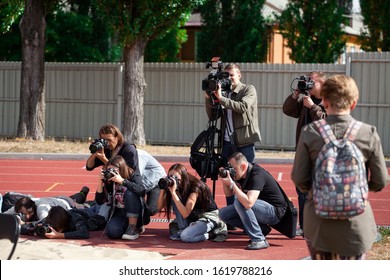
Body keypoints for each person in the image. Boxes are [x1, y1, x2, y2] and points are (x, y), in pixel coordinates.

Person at [291, 74, 389, 260]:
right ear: (354, 103)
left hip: (319, 223)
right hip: (356, 223)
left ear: (324, 101)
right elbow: (380, 181)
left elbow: (300, 179)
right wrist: (354, 189)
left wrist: (321, 190)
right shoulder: (368, 133)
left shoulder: (310, 133)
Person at [282, 71, 327, 236]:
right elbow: (287, 110)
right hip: (303, 151)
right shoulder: (305, 100)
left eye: (312, 82)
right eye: (307, 81)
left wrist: (313, 107)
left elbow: (326, 124)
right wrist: (295, 96)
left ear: (322, 84)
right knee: (301, 190)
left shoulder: (329, 100)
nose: (308, 84)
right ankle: (305, 226)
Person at [218, 152, 287, 250]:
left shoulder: (257, 175)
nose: (232, 172)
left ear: (243, 166)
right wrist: (225, 181)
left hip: (274, 212)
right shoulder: (241, 174)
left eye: (234, 169)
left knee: (240, 202)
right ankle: (261, 229)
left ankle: (259, 239)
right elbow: (229, 194)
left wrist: (232, 184)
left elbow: (249, 203)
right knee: (224, 214)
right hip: (260, 208)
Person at [204, 63, 261, 164]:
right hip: (226, 142)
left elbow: (242, 107)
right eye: (226, 76)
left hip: (244, 142)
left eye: (231, 75)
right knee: (226, 174)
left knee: (245, 175)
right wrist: (208, 98)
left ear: (239, 75)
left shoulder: (248, 89)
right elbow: (213, 116)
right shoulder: (223, 92)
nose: (229, 78)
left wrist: (221, 98)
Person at [157, 163, 227, 243]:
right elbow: (159, 207)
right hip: (192, 217)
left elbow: (186, 213)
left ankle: (211, 233)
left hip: (206, 217)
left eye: (176, 178)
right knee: (174, 230)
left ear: (184, 177)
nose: (173, 180)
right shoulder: (173, 187)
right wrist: (163, 189)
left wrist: (173, 193)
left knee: (185, 236)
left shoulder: (195, 187)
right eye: (170, 177)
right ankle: (186, 229)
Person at [95, 155, 148, 240]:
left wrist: (122, 181)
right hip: (119, 212)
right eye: (109, 170)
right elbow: (99, 201)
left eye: (114, 170)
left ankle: (133, 227)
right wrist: (100, 183)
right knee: (112, 232)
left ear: (121, 168)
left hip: (135, 211)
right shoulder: (110, 180)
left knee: (129, 193)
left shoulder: (132, 174)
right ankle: (128, 227)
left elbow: (141, 190)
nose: (111, 173)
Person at [3, 188, 89, 224]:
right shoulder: (20, 207)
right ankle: (82, 193)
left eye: (28, 212)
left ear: (33, 207)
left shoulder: (41, 209)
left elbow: (44, 222)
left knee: (86, 206)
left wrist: (24, 223)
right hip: (54, 199)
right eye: (22, 213)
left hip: (66, 203)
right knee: (75, 197)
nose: (26, 216)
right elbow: (3, 216)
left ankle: (83, 194)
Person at [22, 205, 106, 239]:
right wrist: (33, 229)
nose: (57, 228)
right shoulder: (49, 220)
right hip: (72, 210)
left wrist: (59, 235)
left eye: (59, 226)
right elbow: (23, 228)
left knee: (99, 206)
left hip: (88, 213)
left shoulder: (75, 219)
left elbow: (84, 233)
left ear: (64, 222)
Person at [137, 149, 167, 216]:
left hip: (157, 182)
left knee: (151, 210)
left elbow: (137, 175)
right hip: (144, 183)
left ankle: (168, 199)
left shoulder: (139, 155)